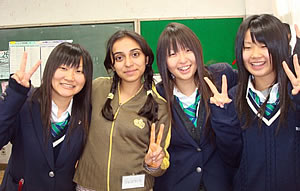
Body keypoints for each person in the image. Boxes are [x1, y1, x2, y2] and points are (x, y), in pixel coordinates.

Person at [206, 14, 300, 191]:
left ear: (279, 48)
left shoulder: (294, 95)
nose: (255, 55)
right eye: (247, 47)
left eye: (264, 46)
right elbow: (231, 158)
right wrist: (224, 118)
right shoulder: (232, 99)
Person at [74, 30, 171, 191]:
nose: (128, 63)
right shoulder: (97, 88)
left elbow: (162, 162)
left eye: (135, 54)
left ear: (146, 59)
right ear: (112, 64)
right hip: (88, 185)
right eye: (119, 57)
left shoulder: (159, 105)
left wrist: (154, 164)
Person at [153, 22, 239, 191]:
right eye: (173, 54)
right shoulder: (157, 97)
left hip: (220, 184)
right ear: (164, 61)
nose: (183, 60)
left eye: (187, 50)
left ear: (197, 51)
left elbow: (263, 74)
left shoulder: (222, 78)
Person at [0, 42, 93, 191]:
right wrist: (15, 93)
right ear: (50, 69)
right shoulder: (24, 102)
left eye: (79, 71)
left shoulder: (87, 112)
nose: (70, 77)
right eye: (63, 68)